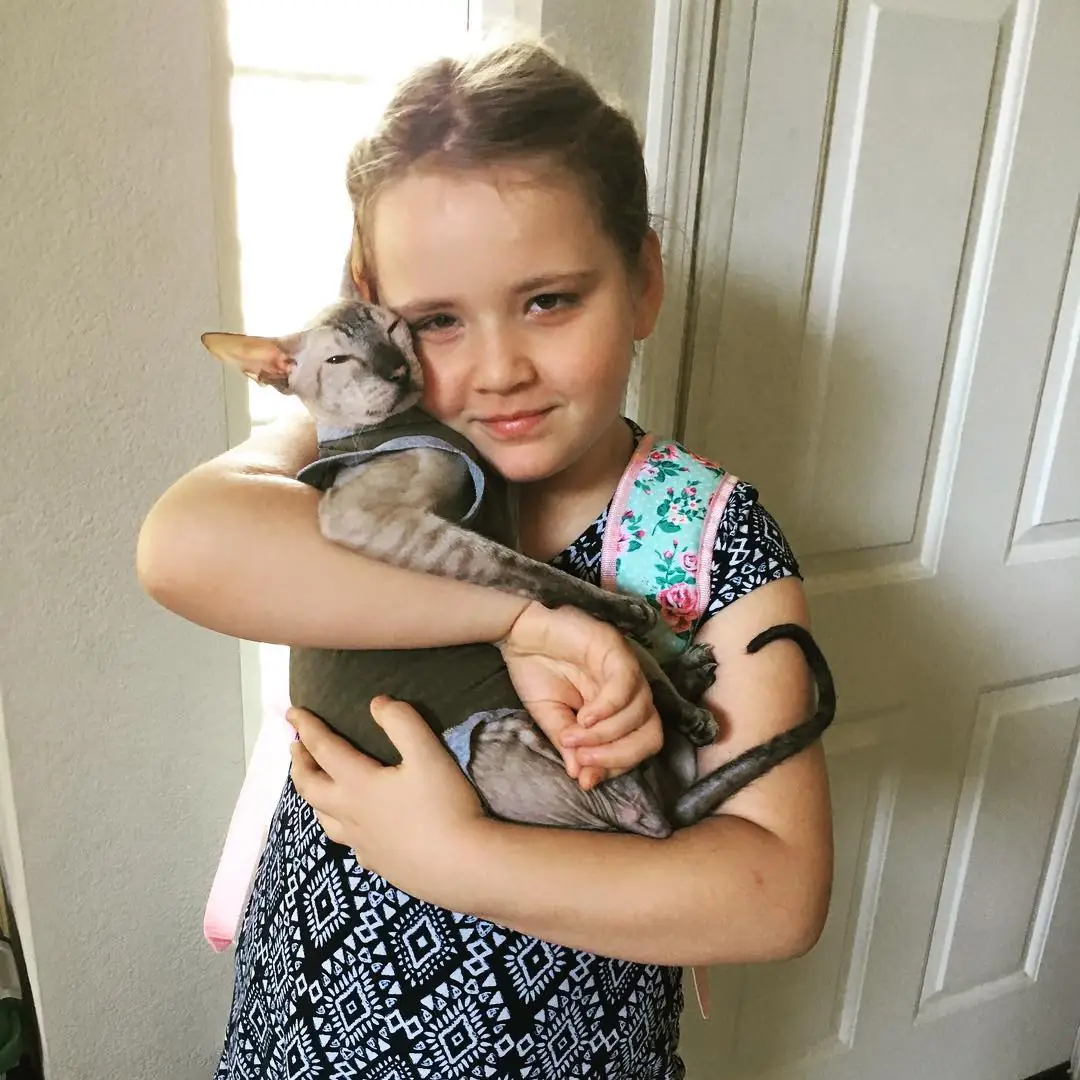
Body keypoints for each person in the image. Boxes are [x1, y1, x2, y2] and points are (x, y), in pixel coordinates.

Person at [138, 38, 833, 1079]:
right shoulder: (350, 450)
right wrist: (519, 619)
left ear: (643, 281)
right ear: (373, 307)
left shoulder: (700, 535)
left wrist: (459, 858)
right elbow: (181, 547)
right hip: (310, 1027)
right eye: (436, 321)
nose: (500, 370)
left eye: (549, 300)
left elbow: (778, 895)